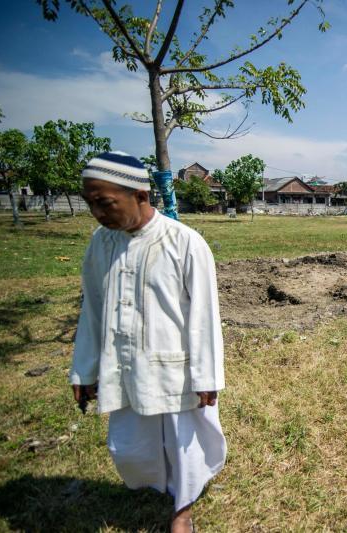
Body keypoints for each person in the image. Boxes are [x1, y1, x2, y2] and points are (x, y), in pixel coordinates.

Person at [70, 151, 226, 533]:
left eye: (104, 203)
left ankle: (182, 510)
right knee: (132, 443)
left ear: (140, 194)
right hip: (123, 363)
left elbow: (204, 315)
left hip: (175, 367)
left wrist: (207, 376)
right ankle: (156, 484)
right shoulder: (100, 244)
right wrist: (84, 369)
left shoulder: (184, 243)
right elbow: (92, 308)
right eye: (91, 204)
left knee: (183, 442)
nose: (97, 213)